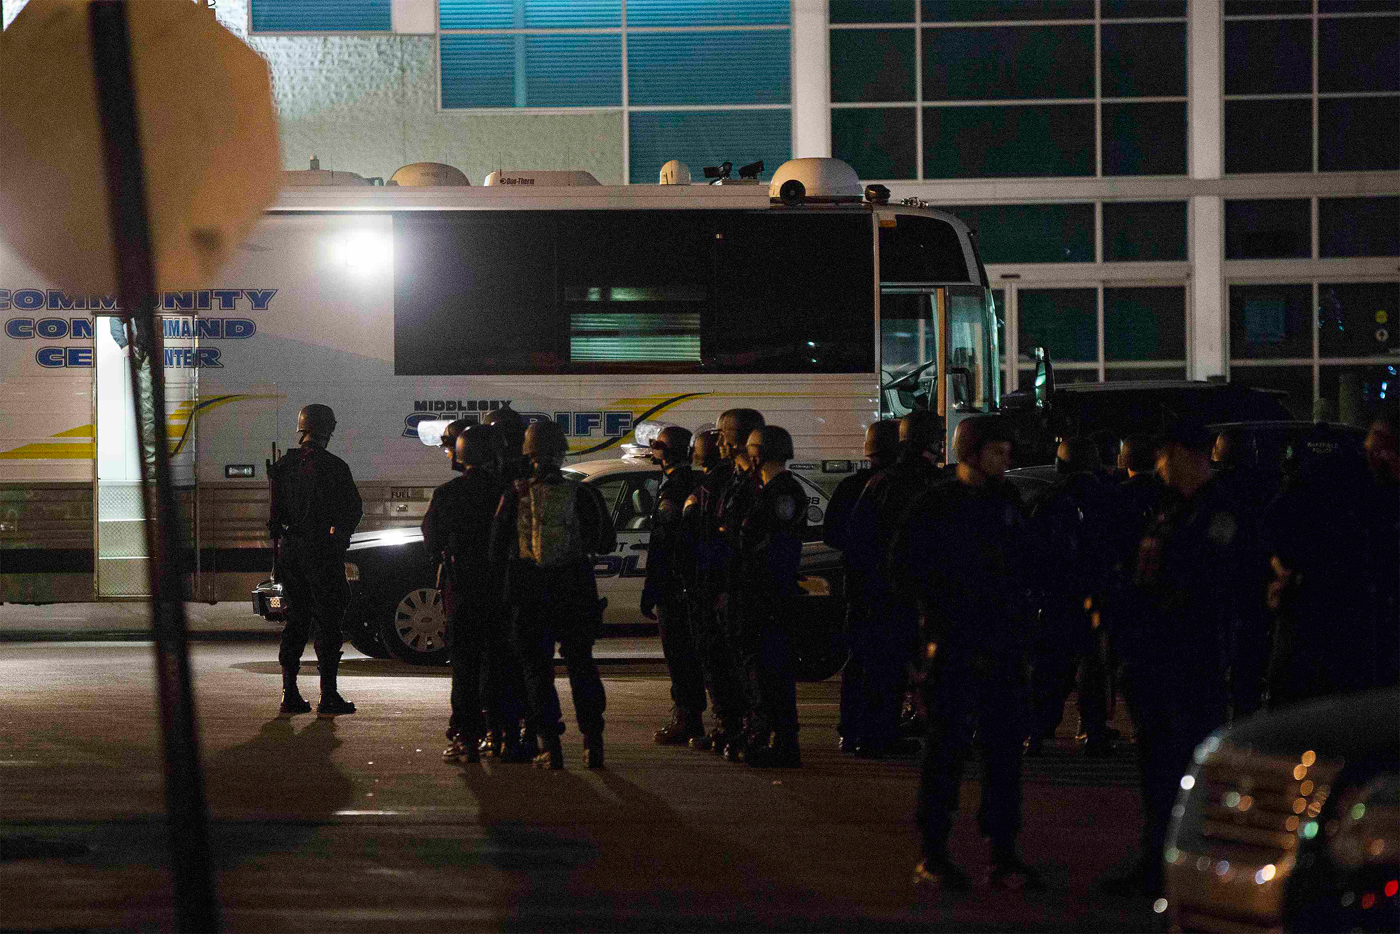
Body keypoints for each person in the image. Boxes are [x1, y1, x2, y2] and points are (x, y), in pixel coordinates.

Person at [893, 415, 1041, 891]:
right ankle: (933, 852)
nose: (1007, 460)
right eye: (998, 451)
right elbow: (904, 571)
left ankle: (1003, 852)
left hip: (1003, 645)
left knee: (1003, 755)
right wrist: (930, 625)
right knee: (946, 752)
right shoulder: (936, 504)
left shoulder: (1009, 501)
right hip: (955, 645)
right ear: (971, 453)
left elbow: (1026, 565)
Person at [1116, 421, 1249, 898]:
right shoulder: (1175, 508)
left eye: (1164, 456)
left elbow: (1212, 587)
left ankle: (1185, 869)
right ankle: (1156, 861)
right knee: (1157, 770)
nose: (1157, 466)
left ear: (1184, 454)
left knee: (1187, 772)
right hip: (1156, 660)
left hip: (1191, 663)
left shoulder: (1219, 512)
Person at [491, 419, 612, 770]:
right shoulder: (584, 492)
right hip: (575, 590)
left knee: (537, 671)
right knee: (582, 665)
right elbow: (603, 541)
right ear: (562, 453)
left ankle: (551, 747)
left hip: (529, 593)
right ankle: (593, 743)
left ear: (528, 454)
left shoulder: (514, 494)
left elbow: (496, 548)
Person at [842, 409, 945, 757]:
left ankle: (863, 732)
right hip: (908, 591)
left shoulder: (879, 482)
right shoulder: (933, 484)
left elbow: (856, 539)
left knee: (873, 665)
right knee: (895, 666)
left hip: (873, 590)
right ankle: (880, 736)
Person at [1026, 438, 1130, 757]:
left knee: (1051, 666)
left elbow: (1031, 552)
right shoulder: (1111, 498)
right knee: (1094, 666)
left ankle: (1037, 733)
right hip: (1097, 595)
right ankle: (1094, 732)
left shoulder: (1047, 499)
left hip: (1057, 596)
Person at [270, 403, 363, 716]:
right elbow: (352, 510)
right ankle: (328, 694)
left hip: (290, 551)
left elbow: (275, 517)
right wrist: (339, 540)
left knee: (296, 620)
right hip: (321, 551)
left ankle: (289, 693)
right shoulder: (334, 466)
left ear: (303, 428)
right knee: (329, 620)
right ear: (328, 430)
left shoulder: (283, 466)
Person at [423, 424, 509, 764]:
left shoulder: (447, 493)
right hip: (502, 590)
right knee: (497, 664)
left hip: (463, 591)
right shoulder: (509, 491)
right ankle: (499, 734)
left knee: (465, 667)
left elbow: (432, 542)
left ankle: (466, 738)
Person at [688, 409, 766, 760]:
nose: (718, 441)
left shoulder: (748, 482)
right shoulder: (731, 478)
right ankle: (731, 727)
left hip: (732, 584)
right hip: (719, 582)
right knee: (720, 659)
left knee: (736, 662)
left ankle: (742, 727)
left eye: (723, 434)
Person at [732, 425, 808, 768]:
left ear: (757, 453)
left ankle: (780, 740)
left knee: (770, 670)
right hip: (764, 592)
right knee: (764, 669)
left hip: (769, 594)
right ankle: (776, 737)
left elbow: (768, 546)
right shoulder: (768, 489)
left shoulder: (782, 492)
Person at [822, 420, 899, 755]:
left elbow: (832, 535)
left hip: (859, 585)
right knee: (888, 662)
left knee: (859, 660)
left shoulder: (850, 486)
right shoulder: (898, 485)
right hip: (888, 587)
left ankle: (851, 730)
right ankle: (880, 730)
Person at [640, 425, 706, 745]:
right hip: (690, 585)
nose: (654, 451)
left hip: (672, 587)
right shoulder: (694, 482)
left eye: (657, 446)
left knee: (678, 654)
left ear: (667, 452)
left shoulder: (674, 489)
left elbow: (663, 545)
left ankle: (686, 718)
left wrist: (650, 589)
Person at [478, 404, 532, 756]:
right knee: (528, 661)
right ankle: (530, 731)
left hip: (493, 582)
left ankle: (497, 731)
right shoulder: (537, 478)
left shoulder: (486, 482)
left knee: (491, 661)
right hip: (531, 582)